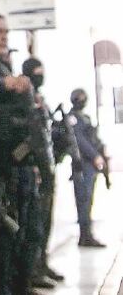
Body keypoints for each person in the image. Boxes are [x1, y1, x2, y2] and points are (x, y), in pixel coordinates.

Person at [0, 15, 51, 294]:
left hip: (20, 166)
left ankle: (20, 287)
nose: (3, 37)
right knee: (2, 239)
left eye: (6, 32)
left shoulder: (1, 66)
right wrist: (3, 85)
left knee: (25, 234)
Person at [21, 58, 64, 284]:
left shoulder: (41, 99)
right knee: (34, 225)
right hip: (35, 167)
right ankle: (32, 271)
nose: (41, 75)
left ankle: (42, 263)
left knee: (44, 223)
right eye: (37, 71)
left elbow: (45, 133)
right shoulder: (24, 97)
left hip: (47, 166)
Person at [68, 88, 107, 248]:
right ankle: (85, 235)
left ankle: (88, 234)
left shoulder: (85, 117)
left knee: (88, 200)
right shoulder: (72, 118)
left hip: (90, 164)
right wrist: (94, 155)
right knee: (83, 200)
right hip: (82, 164)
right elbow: (79, 140)